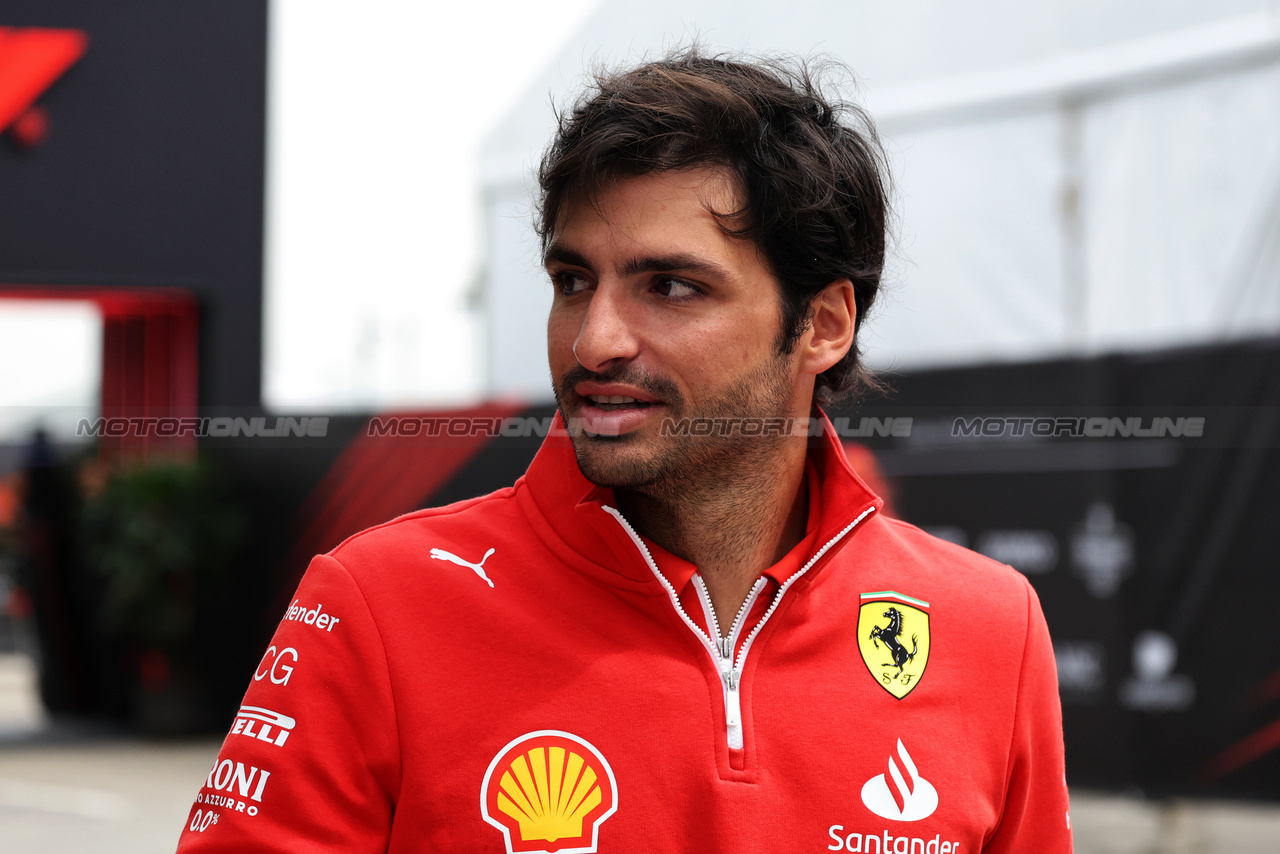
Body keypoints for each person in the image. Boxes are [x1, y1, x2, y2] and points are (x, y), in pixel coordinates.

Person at [177, 50, 1070, 853]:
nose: (594, 339)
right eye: (573, 282)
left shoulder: (990, 629)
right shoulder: (378, 605)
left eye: (671, 287)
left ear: (823, 325)